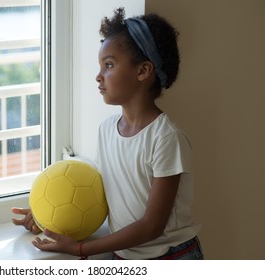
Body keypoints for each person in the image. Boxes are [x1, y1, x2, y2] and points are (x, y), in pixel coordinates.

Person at [12, 7, 203, 260]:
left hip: (172, 256)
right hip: (124, 256)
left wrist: (80, 249)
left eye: (109, 65)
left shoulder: (165, 138)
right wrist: (48, 216)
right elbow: (104, 195)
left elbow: (151, 226)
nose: (98, 76)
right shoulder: (106, 130)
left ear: (143, 71)